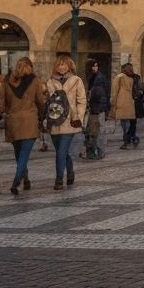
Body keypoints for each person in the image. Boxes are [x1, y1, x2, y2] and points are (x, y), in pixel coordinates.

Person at [0, 57, 46, 195]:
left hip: (13, 122)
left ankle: (26, 180)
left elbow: (1, 104)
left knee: (19, 154)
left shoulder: (6, 81)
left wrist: (5, 113)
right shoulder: (35, 81)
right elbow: (40, 101)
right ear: (31, 67)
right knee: (24, 154)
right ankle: (17, 180)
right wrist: (42, 117)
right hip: (29, 121)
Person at [45, 55, 87, 191]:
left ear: (69, 66)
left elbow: (82, 101)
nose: (61, 67)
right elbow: (47, 102)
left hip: (70, 121)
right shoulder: (50, 81)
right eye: (59, 65)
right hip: (54, 121)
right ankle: (70, 171)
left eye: (64, 64)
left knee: (61, 151)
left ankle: (58, 179)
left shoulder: (76, 80)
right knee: (61, 151)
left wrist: (79, 117)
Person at [109, 60, 140, 149]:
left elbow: (115, 92)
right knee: (129, 123)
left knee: (124, 124)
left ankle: (126, 140)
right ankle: (131, 139)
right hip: (131, 103)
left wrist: (113, 104)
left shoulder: (119, 77)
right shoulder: (133, 78)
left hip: (121, 103)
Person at [83, 60, 109, 160]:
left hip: (98, 108)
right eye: (93, 66)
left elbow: (102, 94)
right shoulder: (91, 77)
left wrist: (92, 98)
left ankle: (99, 151)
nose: (95, 68)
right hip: (93, 108)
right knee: (91, 130)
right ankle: (91, 151)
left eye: (96, 66)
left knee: (97, 131)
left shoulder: (100, 78)